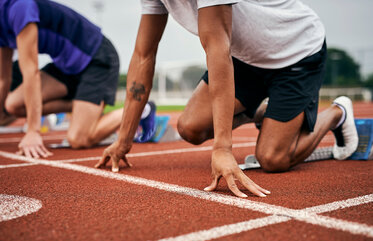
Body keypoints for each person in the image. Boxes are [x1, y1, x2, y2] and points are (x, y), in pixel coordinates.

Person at [95, 0, 358, 198]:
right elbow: (143, 55)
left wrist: (222, 149)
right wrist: (123, 140)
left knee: (272, 159)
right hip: (246, 58)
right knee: (190, 128)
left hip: (295, 52)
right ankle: (262, 113)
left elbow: (218, 50)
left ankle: (337, 113)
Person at [0, 0, 158, 158]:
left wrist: (33, 131)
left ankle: (143, 109)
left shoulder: (19, 7)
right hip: (65, 66)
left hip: (96, 58)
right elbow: (3, 79)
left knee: (79, 139)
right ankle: (83, 109)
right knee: (13, 105)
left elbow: (30, 72)